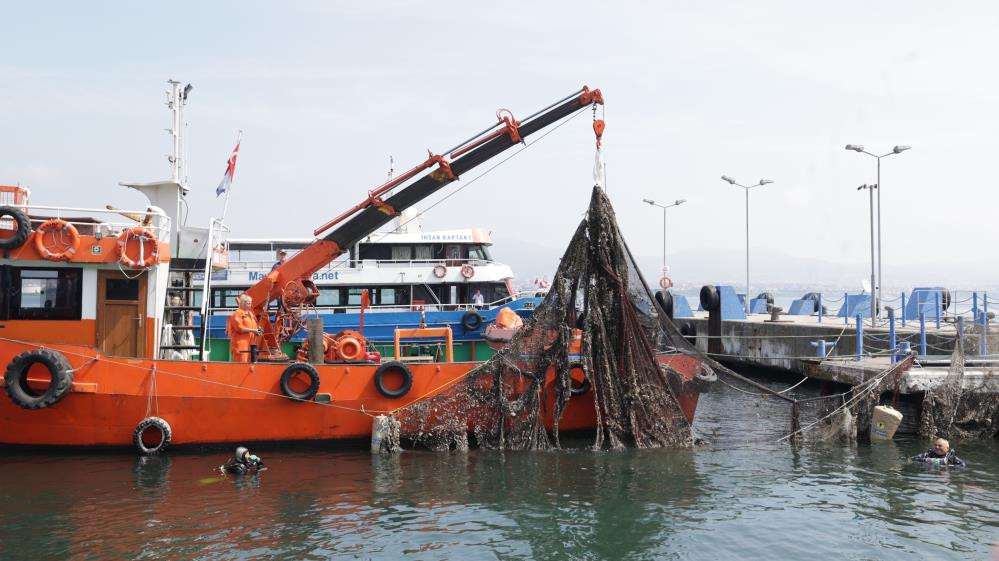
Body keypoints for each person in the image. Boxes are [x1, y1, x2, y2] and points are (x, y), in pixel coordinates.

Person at [226, 294, 261, 363]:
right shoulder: (237, 314)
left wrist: (258, 330)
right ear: (242, 303)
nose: (250, 305)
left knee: (251, 364)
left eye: (250, 303)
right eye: (248, 303)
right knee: (242, 364)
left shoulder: (251, 314)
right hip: (241, 345)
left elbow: (255, 326)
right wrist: (254, 330)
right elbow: (239, 328)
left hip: (251, 345)